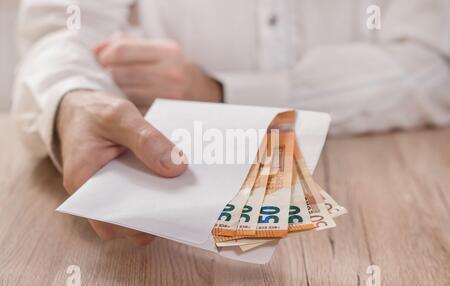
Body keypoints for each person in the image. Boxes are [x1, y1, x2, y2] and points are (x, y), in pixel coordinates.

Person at [12, 0, 450, 244]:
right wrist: (72, 98)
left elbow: (433, 65)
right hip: (151, 211)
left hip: (381, 199)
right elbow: (60, 34)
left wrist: (221, 92)